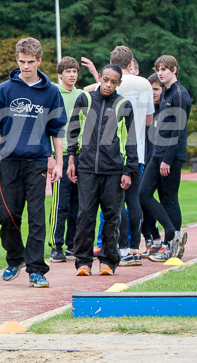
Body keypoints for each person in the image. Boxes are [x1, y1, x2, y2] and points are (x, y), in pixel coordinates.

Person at [0, 37, 66, 288]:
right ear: (17, 60)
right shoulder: (4, 89)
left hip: (37, 162)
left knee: (36, 217)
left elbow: (57, 130)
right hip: (9, 160)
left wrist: (59, 162)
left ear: (39, 61)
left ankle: (36, 269)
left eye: (31, 62)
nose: (26, 66)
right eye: (21, 61)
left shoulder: (51, 91)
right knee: (6, 215)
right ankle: (15, 258)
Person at [80, 46, 154, 266]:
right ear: (131, 63)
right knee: (133, 201)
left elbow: (92, 92)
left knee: (111, 207)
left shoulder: (108, 88)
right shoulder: (144, 83)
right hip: (135, 151)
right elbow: (149, 120)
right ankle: (133, 248)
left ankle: (114, 247)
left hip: (113, 154)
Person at [67, 64, 138, 276]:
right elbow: (73, 131)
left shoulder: (123, 104)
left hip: (114, 171)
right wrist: (71, 161)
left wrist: (128, 170)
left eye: (113, 81)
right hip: (87, 168)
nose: (108, 85)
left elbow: (131, 140)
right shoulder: (85, 99)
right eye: (105, 79)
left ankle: (108, 261)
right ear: (99, 77)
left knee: (111, 217)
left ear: (119, 83)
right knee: (85, 216)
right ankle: (83, 262)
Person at [140, 55, 191, 261]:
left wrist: (167, 160)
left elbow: (177, 131)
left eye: (165, 69)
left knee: (169, 200)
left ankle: (173, 245)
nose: (161, 73)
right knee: (143, 194)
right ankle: (171, 234)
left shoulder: (179, 94)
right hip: (157, 153)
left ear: (174, 70)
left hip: (170, 156)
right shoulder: (165, 92)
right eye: (158, 69)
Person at [48, 57, 84, 263]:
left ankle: (73, 243)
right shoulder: (53, 93)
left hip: (79, 154)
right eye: (68, 71)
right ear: (60, 74)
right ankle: (56, 245)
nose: (72, 75)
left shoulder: (82, 95)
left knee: (78, 204)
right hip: (60, 155)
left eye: (75, 71)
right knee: (60, 203)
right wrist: (50, 156)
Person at [141, 72, 163, 258]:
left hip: (158, 161)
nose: (153, 93)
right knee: (141, 200)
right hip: (144, 159)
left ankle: (160, 238)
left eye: (156, 89)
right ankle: (151, 238)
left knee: (148, 198)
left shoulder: (164, 110)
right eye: (151, 89)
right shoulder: (145, 109)